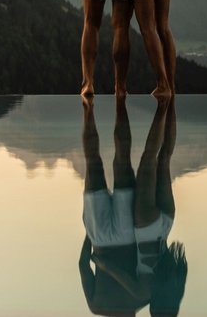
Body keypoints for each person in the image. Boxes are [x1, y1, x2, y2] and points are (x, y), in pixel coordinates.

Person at [79, 96, 188, 316]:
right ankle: (95, 106)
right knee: (95, 160)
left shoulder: (145, 298)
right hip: (103, 237)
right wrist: (90, 235)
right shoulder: (99, 306)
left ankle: (137, 99)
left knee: (139, 159)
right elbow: (83, 265)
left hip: (130, 232)